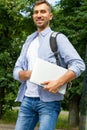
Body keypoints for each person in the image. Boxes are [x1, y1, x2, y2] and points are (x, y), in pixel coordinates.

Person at [13, 0, 85, 130]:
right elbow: (16, 71)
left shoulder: (58, 38)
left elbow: (79, 64)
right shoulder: (29, 41)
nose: (39, 15)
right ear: (33, 16)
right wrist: (28, 73)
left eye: (43, 11)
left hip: (49, 102)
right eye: (36, 12)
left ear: (50, 16)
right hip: (27, 100)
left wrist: (58, 82)